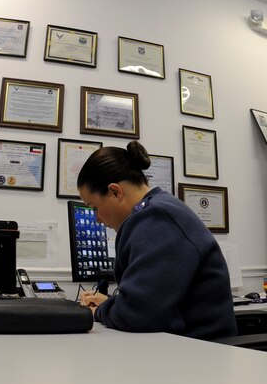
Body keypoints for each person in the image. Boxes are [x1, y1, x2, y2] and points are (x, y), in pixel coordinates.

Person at [76, 141, 237, 341]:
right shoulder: (160, 209)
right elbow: (147, 302)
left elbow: (136, 314)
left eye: (94, 207)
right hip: (184, 344)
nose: (96, 219)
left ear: (115, 191)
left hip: (199, 354)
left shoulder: (157, 218)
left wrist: (100, 310)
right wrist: (111, 303)